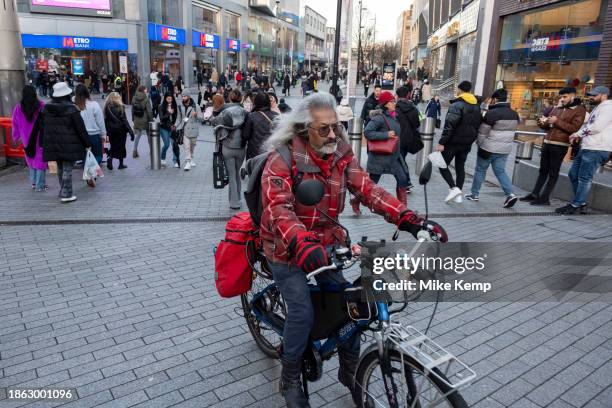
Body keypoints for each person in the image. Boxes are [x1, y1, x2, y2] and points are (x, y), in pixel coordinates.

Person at [260, 92, 447, 407]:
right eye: (325, 129)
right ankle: (289, 378)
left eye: (337, 126)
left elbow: (367, 189)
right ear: (305, 129)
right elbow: (277, 209)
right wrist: (301, 241)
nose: (334, 134)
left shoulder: (340, 153)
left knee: (354, 306)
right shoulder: (282, 159)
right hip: (286, 247)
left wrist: (409, 219)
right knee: (303, 313)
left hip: (326, 242)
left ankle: (351, 373)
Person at [520, 87, 586, 206]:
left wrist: (556, 121)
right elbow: (549, 125)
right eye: (561, 97)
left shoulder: (579, 109)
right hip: (547, 142)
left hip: (560, 145)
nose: (562, 99)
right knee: (543, 170)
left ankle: (545, 198)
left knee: (553, 172)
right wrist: (543, 122)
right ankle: (534, 194)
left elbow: (574, 129)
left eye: (565, 97)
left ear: (573, 96)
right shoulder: (558, 107)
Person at [556, 86, 612, 214]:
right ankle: (580, 202)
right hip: (588, 147)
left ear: (604, 95)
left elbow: (596, 127)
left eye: (594, 95)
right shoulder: (599, 107)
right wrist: (580, 136)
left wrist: (577, 134)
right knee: (573, 174)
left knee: (584, 178)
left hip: (597, 148)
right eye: (590, 95)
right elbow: (589, 125)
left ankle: (576, 205)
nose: (590, 97)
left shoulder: (608, 108)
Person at [464, 88, 520, 208]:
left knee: (480, 170)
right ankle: (510, 194)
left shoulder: (492, 114)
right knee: (500, 171)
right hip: (505, 149)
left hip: (488, 148)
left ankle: (474, 194)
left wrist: (479, 143)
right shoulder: (514, 114)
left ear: (495, 99)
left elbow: (482, 132)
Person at [42, 82, 92, 203]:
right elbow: (80, 129)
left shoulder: (47, 109)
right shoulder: (72, 109)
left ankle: (62, 190)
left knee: (60, 167)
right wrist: (87, 143)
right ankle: (66, 194)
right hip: (70, 144)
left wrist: (44, 143)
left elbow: (43, 128)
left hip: (53, 144)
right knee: (67, 168)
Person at [363, 91, 412, 209]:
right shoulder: (379, 118)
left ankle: (403, 209)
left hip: (394, 157)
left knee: (403, 179)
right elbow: (367, 132)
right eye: (392, 101)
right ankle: (356, 200)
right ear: (385, 104)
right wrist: (385, 134)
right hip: (380, 158)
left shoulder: (395, 116)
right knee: (371, 184)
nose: (394, 103)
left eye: (394, 101)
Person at [437, 81, 482, 203]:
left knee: (442, 165)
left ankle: (453, 188)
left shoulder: (457, 105)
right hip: (467, 143)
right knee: (460, 167)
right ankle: (458, 195)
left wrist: (442, 142)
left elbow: (449, 126)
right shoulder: (477, 105)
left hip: (453, 142)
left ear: (460, 90)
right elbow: (478, 124)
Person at [211, 89, 247, 209]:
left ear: (230, 98)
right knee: (236, 173)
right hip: (241, 147)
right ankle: (238, 199)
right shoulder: (244, 112)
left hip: (228, 146)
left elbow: (214, 121)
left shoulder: (225, 111)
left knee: (232, 174)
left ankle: (234, 202)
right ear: (240, 98)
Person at [12, 85, 48, 191]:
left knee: (31, 158)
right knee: (40, 160)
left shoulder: (18, 107)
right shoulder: (41, 106)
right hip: (39, 138)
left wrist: (16, 137)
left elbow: (15, 124)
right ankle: (40, 185)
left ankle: (33, 182)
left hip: (26, 138)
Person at [74, 84, 106, 188]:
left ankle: (89, 176)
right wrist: (103, 134)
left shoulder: (74, 105)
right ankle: (93, 176)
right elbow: (100, 121)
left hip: (80, 137)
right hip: (94, 135)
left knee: (84, 158)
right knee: (97, 156)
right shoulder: (94, 105)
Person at [242, 92, 279, 161]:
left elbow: (246, 135)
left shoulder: (252, 116)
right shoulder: (276, 115)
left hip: (255, 153)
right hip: (272, 153)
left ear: (256, 103)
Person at [104, 92, 134, 170]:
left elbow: (105, 121)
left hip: (111, 131)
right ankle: (120, 164)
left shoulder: (107, 108)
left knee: (113, 146)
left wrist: (106, 131)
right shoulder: (121, 107)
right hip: (120, 130)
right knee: (121, 147)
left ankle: (110, 159)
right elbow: (124, 121)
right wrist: (131, 132)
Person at [395, 85, 421, 169]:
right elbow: (417, 124)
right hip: (408, 140)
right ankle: (404, 179)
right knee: (401, 159)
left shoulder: (394, 108)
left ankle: (406, 180)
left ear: (397, 96)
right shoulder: (414, 109)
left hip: (396, 139)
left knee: (400, 162)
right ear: (408, 95)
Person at [177, 93, 201, 171]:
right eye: (182, 96)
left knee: (192, 146)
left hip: (194, 130)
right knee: (186, 146)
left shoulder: (196, 106)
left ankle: (191, 157)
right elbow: (179, 119)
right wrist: (175, 126)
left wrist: (196, 115)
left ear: (189, 97)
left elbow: (201, 118)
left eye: (185, 96)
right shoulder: (180, 107)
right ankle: (188, 162)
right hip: (185, 130)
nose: (183, 98)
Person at [159, 93, 181, 167]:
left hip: (172, 128)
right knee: (166, 144)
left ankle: (175, 161)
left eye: (171, 99)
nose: (170, 100)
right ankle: (162, 157)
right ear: (165, 98)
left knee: (174, 144)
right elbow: (161, 118)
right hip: (164, 128)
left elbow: (177, 117)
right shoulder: (161, 106)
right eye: (168, 99)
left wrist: (175, 124)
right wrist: (168, 113)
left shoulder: (174, 106)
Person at [131, 85, 153, 159]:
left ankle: (134, 151)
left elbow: (132, 110)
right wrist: (151, 120)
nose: (146, 90)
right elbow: (149, 111)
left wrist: (133, 119)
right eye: (146, 89)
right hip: (145, 119)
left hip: (137, 119)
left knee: (138, 135)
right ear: (143, 90)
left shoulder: (134, 97)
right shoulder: (146, 98)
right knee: (149, 135)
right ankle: (152, 150)